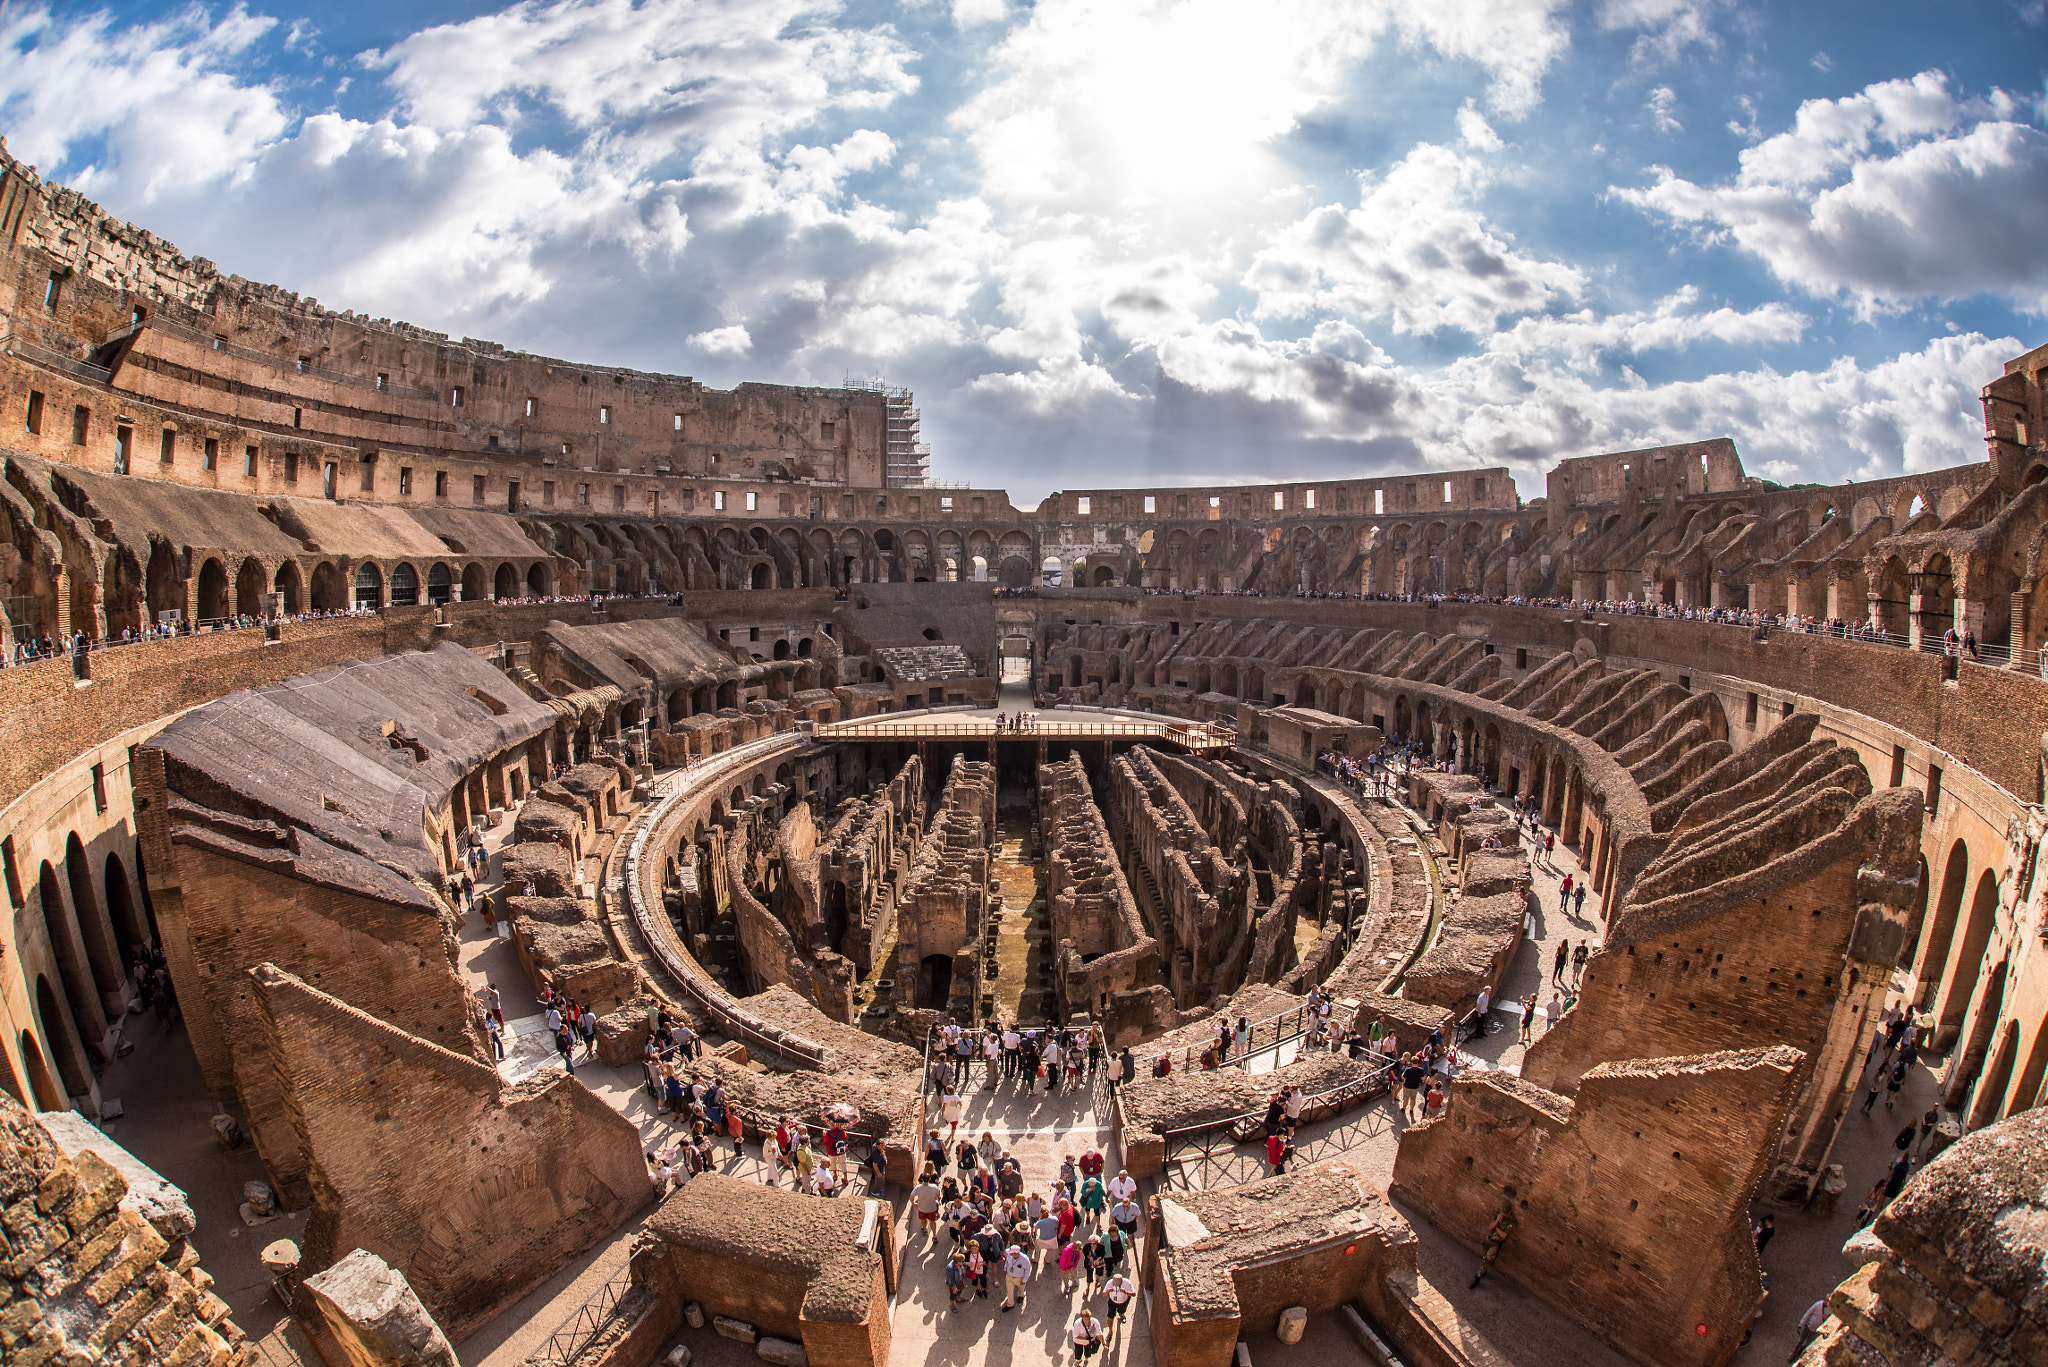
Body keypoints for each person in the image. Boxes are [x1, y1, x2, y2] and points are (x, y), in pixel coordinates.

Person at [999, 1242, 1033, 1311]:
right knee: (1009, 1290)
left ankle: (1021, 1295)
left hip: (1019, 1277)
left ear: (1016, 1253)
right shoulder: (1009, 1255)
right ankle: (1010, 1304)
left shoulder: (1025, 1259)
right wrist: (1005, 1269)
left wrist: (1024, 1280)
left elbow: (1028, 1270)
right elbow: (1007, 1263)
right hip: (1009, 1276)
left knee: (1021, 1287)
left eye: (1011, 1253)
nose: (1009, 1254)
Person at [912, 1175, 943, 1245]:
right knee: (933, 1221)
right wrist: (938, 1200)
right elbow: (938, 1196)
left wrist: (914, 1203)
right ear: (930, 1179)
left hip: (922, 1208)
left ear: (922, 1179)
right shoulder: (934, 1187)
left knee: (923, 1219)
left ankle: (925, 1229)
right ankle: (934, 1235)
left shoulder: (918, 1188)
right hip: (932, 1208)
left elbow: (911, 1197)